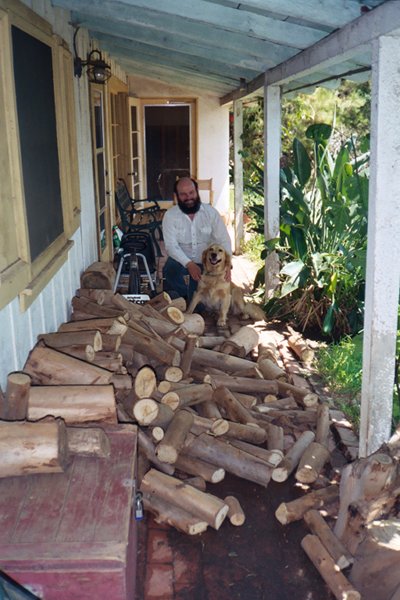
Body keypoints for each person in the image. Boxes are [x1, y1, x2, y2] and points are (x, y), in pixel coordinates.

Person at [162, 177, 232, 302]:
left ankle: (191, 300)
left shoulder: (210, 213)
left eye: (191, 193)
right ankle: (182, 298)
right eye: (183, 194)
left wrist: (228, 264)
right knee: (170, 271)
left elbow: (223, 239)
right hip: (181, 259)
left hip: (208, 262)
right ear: (176, 195)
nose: (188, 197)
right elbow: (171, 246)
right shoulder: (170, 216)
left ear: (197, 191)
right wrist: (189, 264)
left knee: (201, 295)